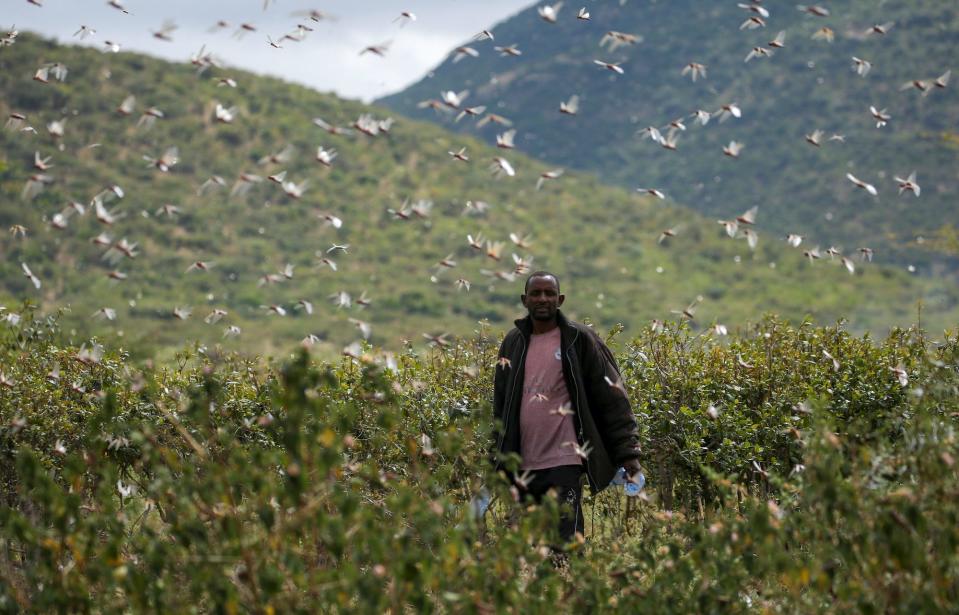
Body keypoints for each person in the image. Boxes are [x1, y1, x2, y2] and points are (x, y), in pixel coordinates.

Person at [492, 271, 642, 543]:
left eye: (549, 293)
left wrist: (628, 452)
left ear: (560, 299)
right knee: (531, 541)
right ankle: (547, 585)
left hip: (565, 459)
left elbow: (612, 396)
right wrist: (497, 455)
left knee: (565, 540)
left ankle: (569, 582)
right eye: (536, 293)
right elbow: (500, 404)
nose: (543, 299)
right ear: (524, 300)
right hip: (523, 461)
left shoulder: (578, 339)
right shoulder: (513, 343)